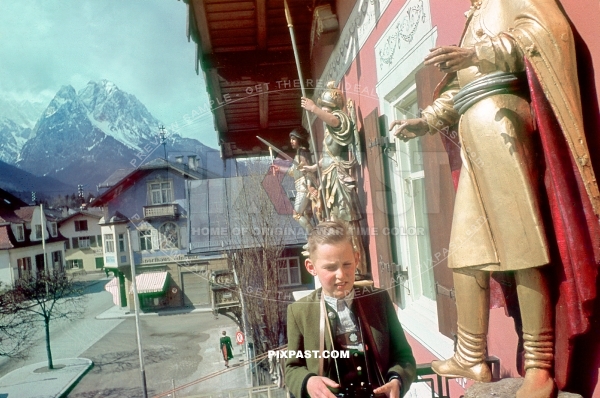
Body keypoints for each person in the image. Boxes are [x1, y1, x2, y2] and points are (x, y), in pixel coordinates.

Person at [389, 1, 600, 397]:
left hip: (502, 116)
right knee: (466, 248)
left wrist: (480, 52)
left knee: (521, 243)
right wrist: (426, 119)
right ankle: (470, 352)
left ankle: (540, 367)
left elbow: (547, 37)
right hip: (474, 124)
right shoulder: (476, 15)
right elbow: (460, 83)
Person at [285, 221, 416, 398]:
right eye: (330, 267)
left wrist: (397, 380)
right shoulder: (299, 312)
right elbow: (292, 368)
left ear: (356, 258)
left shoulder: (379, 300)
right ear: (311, 267)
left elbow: (403, 355)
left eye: (347, 264)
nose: (341, 274)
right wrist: (308, 381)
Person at [301, 83, 367, 275]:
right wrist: (312, 167)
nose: (322, 110)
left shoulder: (339, 119)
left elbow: (334, 121)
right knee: (335, 218)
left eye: (324, 107)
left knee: (345, 217)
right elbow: (326, 157)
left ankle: (357, 266)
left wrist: (313, 109)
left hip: (338, 176)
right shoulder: (329, 127)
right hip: (329, 175)